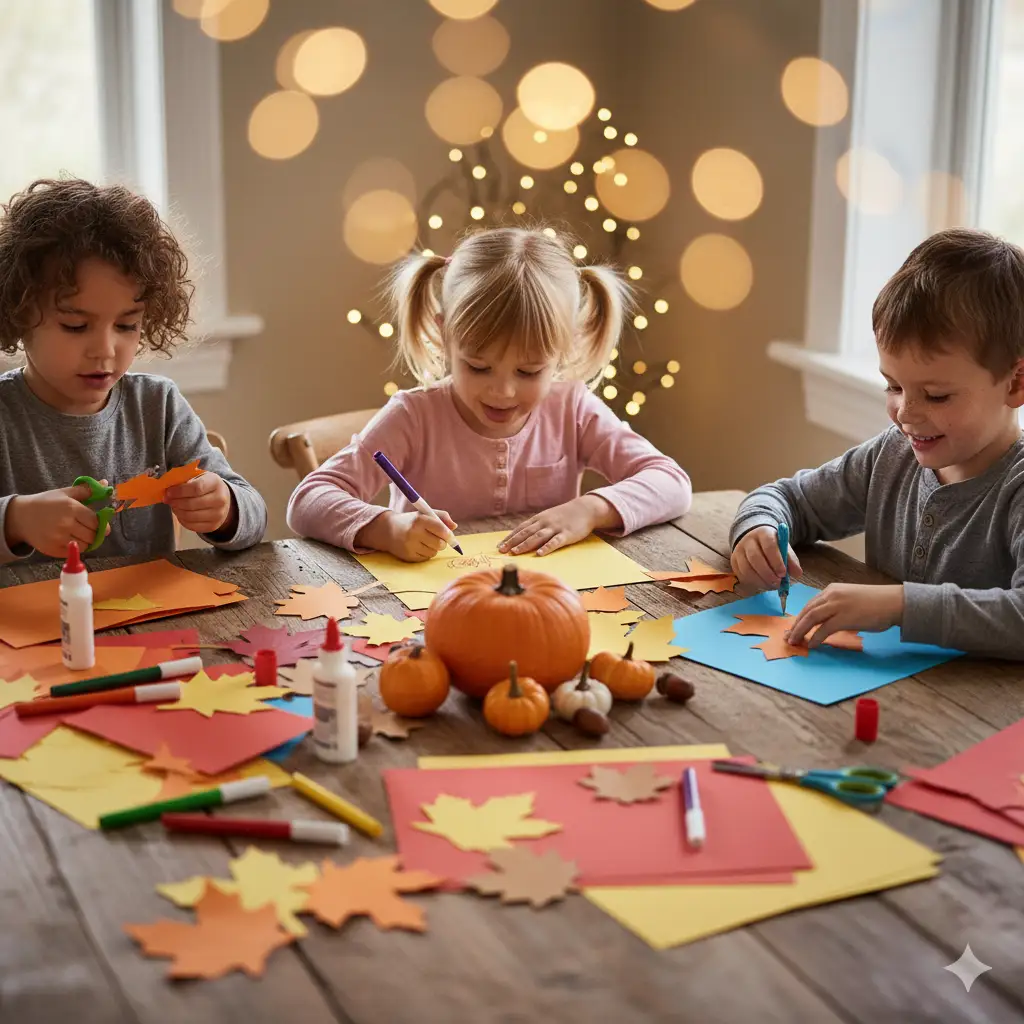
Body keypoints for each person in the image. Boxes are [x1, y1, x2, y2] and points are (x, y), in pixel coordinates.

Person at [287, 226, 691, 561]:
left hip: (545, 601)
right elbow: (308, 500)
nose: (503, 390)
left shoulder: (572, 408)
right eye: (478, 367)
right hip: (423, 614)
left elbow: (671, 482)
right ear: (446, 336)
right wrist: (387, 528)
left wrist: (589, 509)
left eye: (529, 371)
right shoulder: (413, 417)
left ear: (563, 350)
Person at [730, 228, 1024, 659]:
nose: (906, 413)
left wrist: (899, 605)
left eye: (937, 395)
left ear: (1016, 383)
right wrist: (757, 529)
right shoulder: (892, 455)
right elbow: (788, 498)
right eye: (893, 386)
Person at [0, 177, 267, 562]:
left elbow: (254, 515)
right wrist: (15, 520)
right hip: (27, 621)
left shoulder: (157, 406)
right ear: (18, 313)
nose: (105, 350)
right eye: (75, 326)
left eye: (127, 325)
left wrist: (225, 508)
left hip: (150, 617)